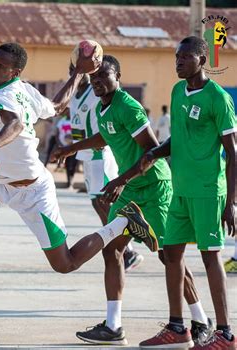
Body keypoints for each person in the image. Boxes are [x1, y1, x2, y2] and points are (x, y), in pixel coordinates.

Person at [0, 42, 159, 309]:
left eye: (0, 66)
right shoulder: (12, 91)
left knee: (65, 264)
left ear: (15, 71)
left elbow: (19, 122)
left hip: (33, 191)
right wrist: (78, 71)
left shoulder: (13, 94)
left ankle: (123, 224)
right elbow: (59, 105)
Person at [52, 55, 211, 346]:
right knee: (112, 250)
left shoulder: (129, 107)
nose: (98, 82)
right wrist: (70, 148)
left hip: (154, 187)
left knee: (169, 256)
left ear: (118, 77)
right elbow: (106, 136)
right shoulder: (104, 106)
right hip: (131, 189)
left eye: (104, 77)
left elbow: (151, 152)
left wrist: (119, 180)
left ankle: (201, 320)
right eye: (94, 78)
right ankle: (113, 326)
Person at [139, 36, 236, 349]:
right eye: (176, 57)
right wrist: (154, 153)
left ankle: (225, 333)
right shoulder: (177, 91)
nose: (178, 62)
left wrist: (231, 202)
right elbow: (177, 141)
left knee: (210, 257)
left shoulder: (218, 98)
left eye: (184, 58)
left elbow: (233, 154)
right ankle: (178, 327)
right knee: (172, 254)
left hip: (208, 190)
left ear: (202, 61)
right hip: (180, 190)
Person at [68, 68, 143, 272]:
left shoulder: (96, 94)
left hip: (99, 155)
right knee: (96, 202)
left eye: (84, 70)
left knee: (105, 201)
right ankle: (122, 244)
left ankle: (128, 248)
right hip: (86, 156)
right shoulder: (76, 95)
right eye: (73, 69)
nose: (77, 73)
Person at [55, 112, 76, 189]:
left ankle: (71, 180)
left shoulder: (75, 120)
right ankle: (69, 182)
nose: (68, 112)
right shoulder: (62, 121)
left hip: (74, 147)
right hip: (64, 147)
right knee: (67, 165)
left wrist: (74, 142)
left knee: (73, 165)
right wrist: (60, 144)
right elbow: (57, 134)